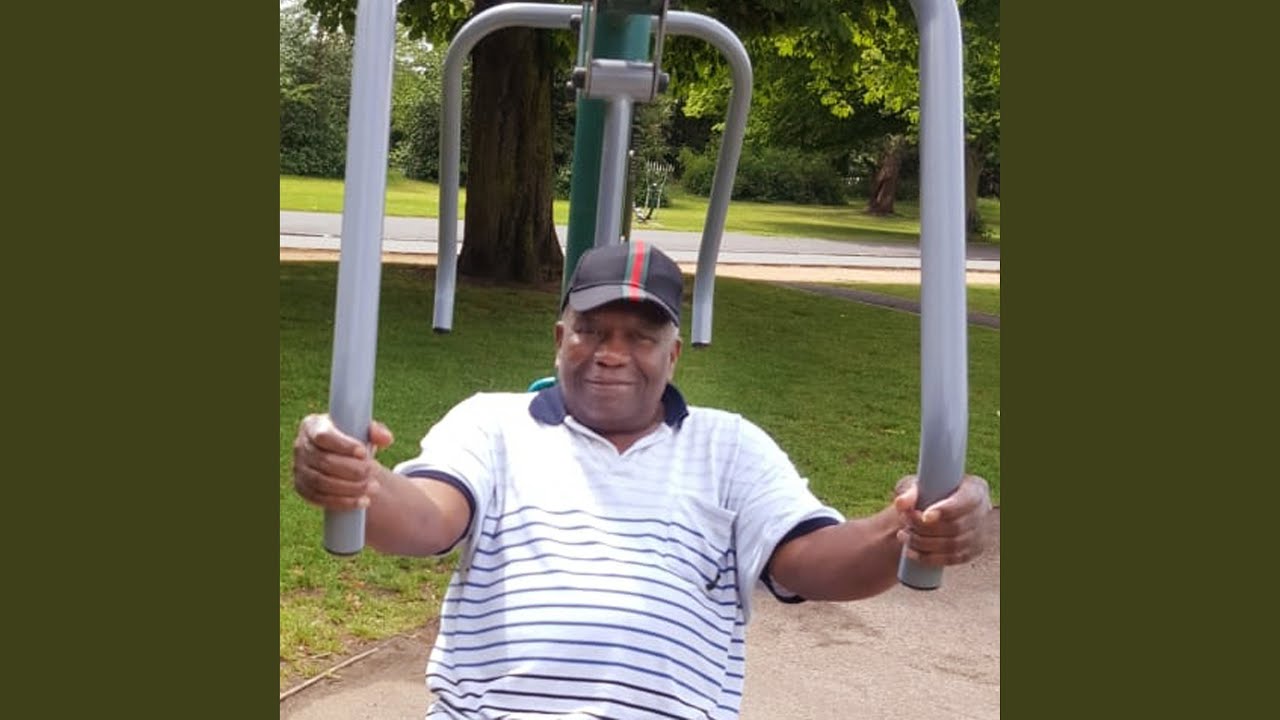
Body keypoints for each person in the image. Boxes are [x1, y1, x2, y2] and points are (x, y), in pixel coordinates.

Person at [292, 241, 993, 719]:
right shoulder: (494, 425)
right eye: (592, 331)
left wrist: (908, 526)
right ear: (559, 339)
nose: (611, 354)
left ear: (673, 354)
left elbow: (811, 562)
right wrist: (357, 478)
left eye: (640, 337)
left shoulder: (729, 448)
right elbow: (427, 519)